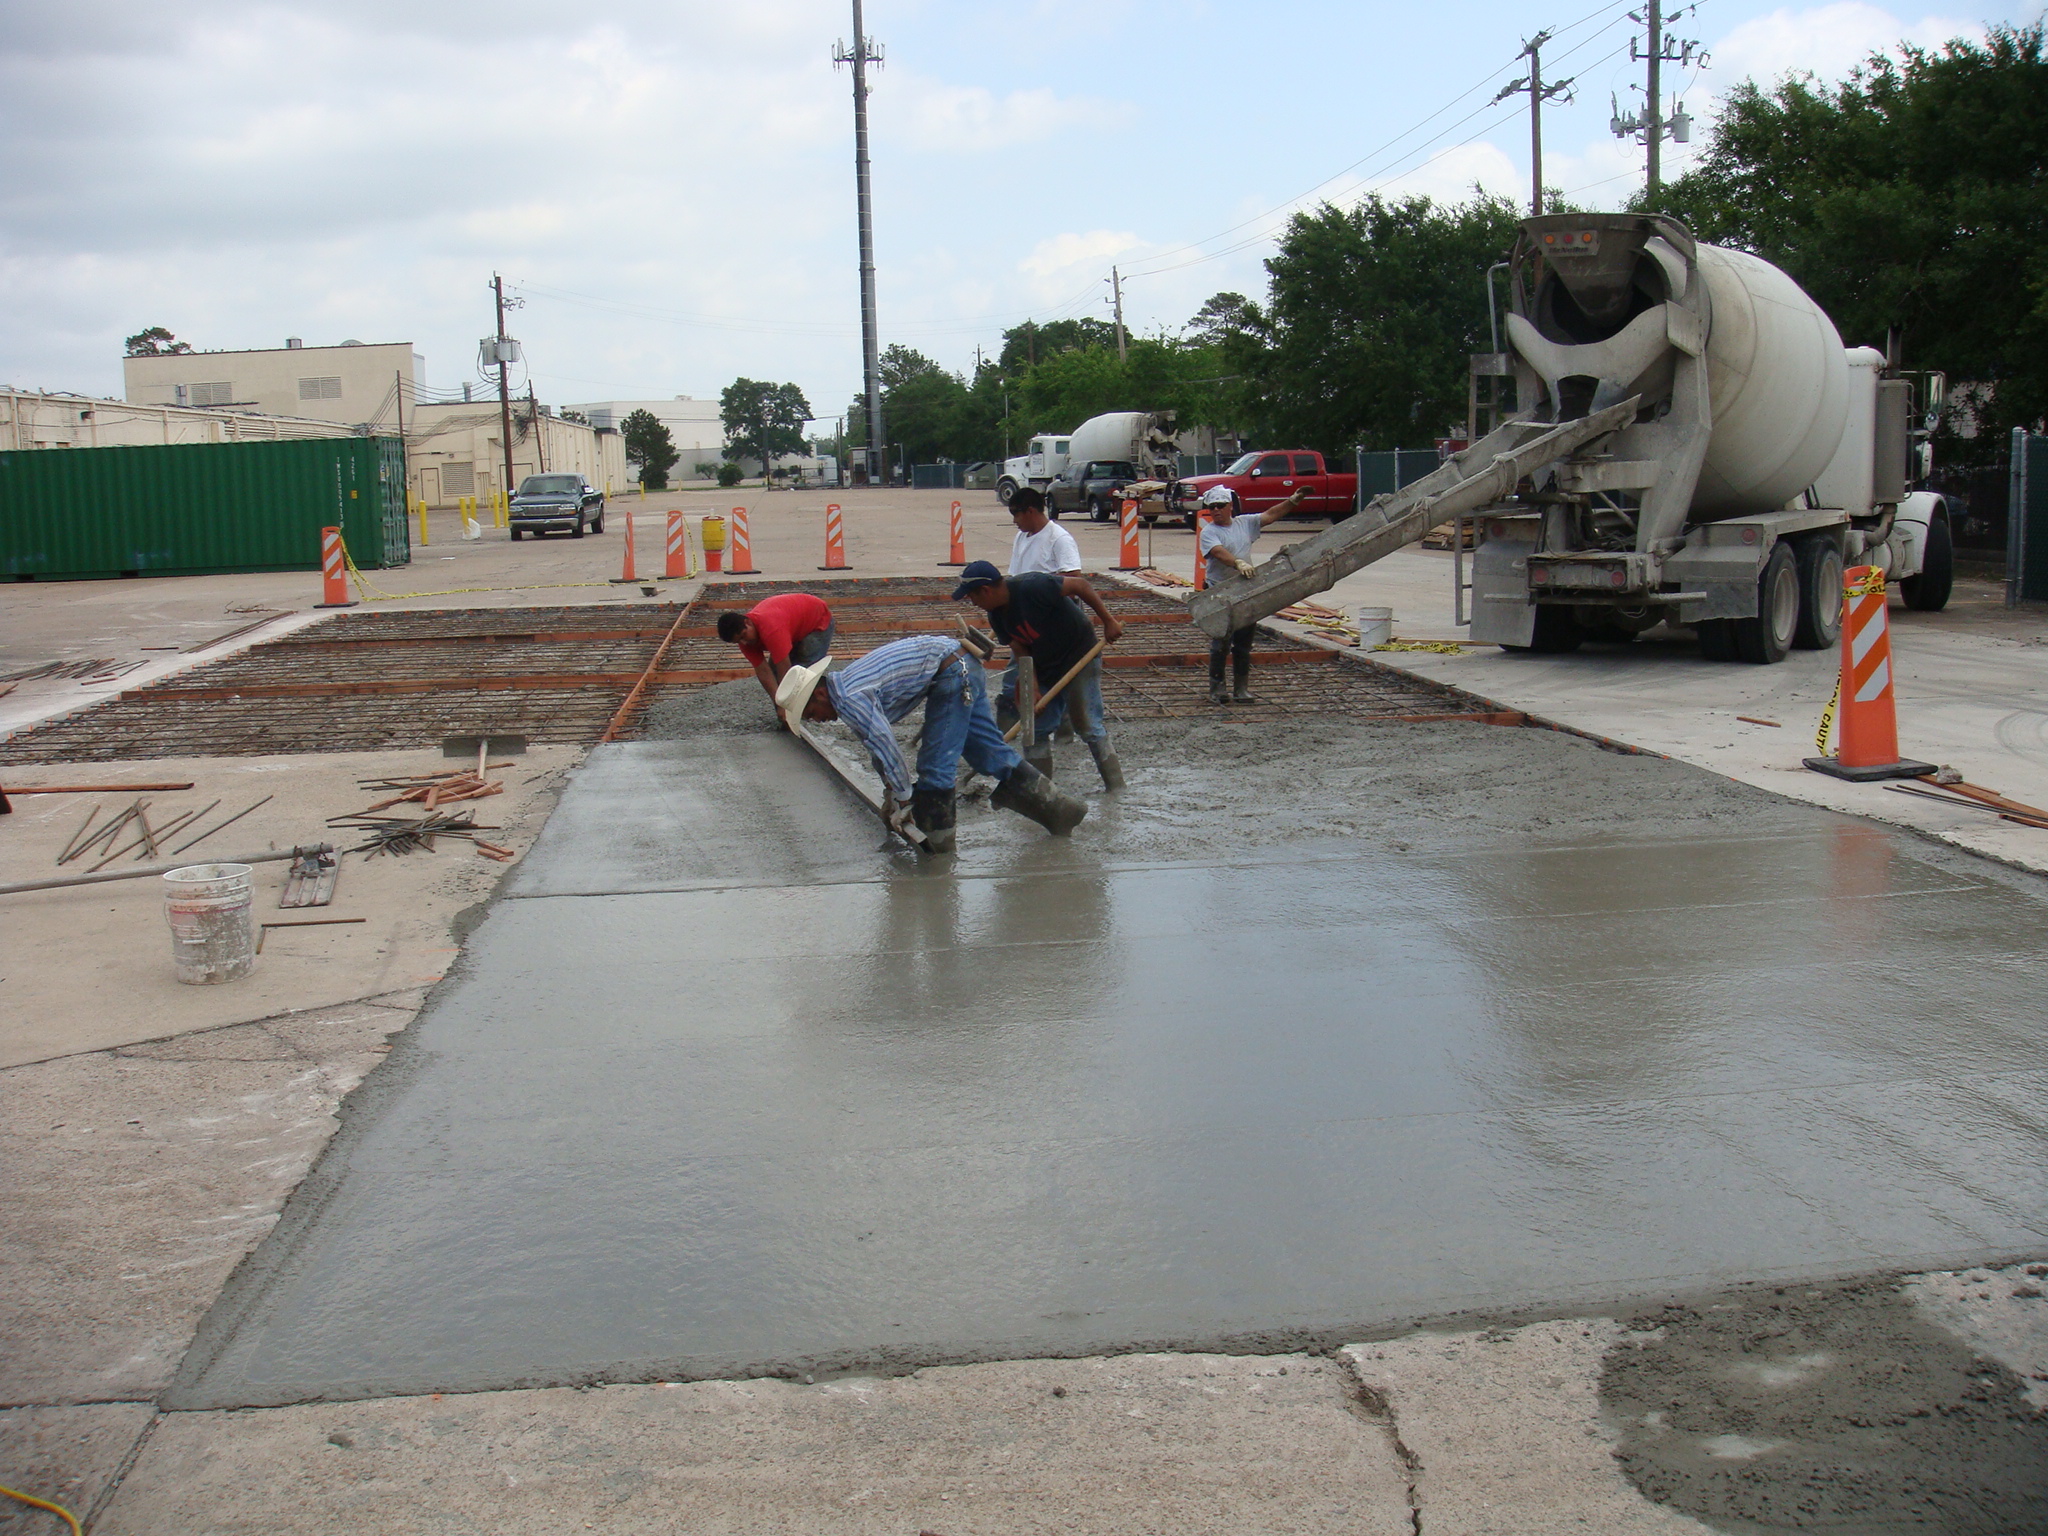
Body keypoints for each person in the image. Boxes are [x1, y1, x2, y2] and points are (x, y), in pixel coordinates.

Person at [774, 636, 1087, 853]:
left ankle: (939, 849)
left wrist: (907, 800)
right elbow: (875, 749)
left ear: (818, 695)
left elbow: (886, 744)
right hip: (960, 662)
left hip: (951, 672)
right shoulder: (845, 691)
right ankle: (1061, 809)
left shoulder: (851, 698)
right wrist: (890, 793)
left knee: (935, 766)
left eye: (811, 714)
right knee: (986, 752)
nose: (816, 720)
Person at [952, 559, 1125, 791]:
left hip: (1079, 654)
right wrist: (1031, 686)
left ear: (985, 590)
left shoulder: (1032, 587)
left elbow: (1080, 586)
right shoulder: (997, 616)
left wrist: (1108, 621)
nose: (973, 603)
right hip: (1044, 666)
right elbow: (1021, 650)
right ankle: (1043, 795)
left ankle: (1116, 787)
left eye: (972, 597)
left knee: (1086, 723)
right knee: (1034, 727)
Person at [1197, 483, 1308, 705]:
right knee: (1221, 642)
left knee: (1244, 643)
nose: (1215, 510)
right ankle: (1217, 689)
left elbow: (1270, 516)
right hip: (1219, 591)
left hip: (1245, 590)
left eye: (1220, 506)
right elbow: (1218, 552)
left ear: (1230, 506)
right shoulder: (1209, 531)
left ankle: (1241, 689)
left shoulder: (1244, 523)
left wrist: (1292, 501)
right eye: (1212, 507)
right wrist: (1237, 562)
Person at [716, 592, 835, 718]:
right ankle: (789, 717)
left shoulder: (771, 628)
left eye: (743, 636)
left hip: (816, 620)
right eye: (738, 641)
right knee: (776, 673)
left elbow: (785, 669)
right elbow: (764, 672)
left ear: (748, 623)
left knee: (804, 673)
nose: (744, 642)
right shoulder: (745, 640)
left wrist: (786, 705)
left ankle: (814, 713)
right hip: (791, 624)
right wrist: (779, 705)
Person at [1006, 487, 1082, 576]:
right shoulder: (1020, 537)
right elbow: (1014, 574)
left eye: (1017, 516)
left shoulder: (1059, 538)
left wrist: (1042, 584)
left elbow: (1074, 575)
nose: (1014, 521)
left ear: (1030, 511)